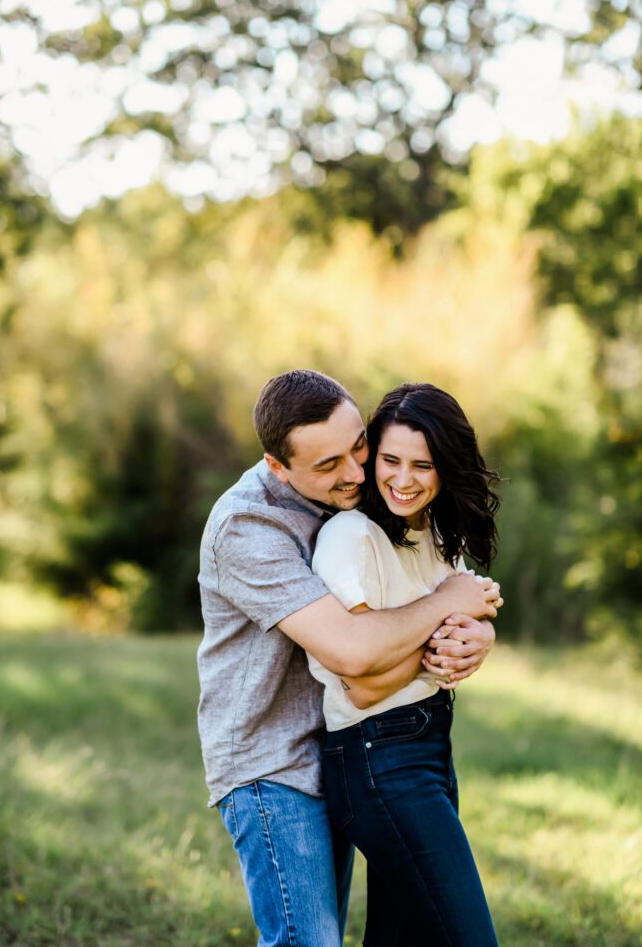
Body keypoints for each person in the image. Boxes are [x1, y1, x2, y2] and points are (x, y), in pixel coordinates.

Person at [197, 370, 502, 947]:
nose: (358, 473)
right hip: (273, 760)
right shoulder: (247, 526)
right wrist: (444, 610)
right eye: (329, 465)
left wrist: (473, 632)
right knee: (306, 940)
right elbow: (353, 652)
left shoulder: (358, 493)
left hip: (345, 741)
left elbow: (423, 586)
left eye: (358, 445)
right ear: (278, 466)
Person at [308, 382, 501, 946]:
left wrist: (478, 636)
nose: (403, 478)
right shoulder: (351, 537)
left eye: (423, 464)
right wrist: (438, 639)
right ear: (371, 458)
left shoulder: (435, 533)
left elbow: (460, 614)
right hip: (376, 757)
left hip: (430, 746)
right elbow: (364, 685)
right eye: (390, 460)